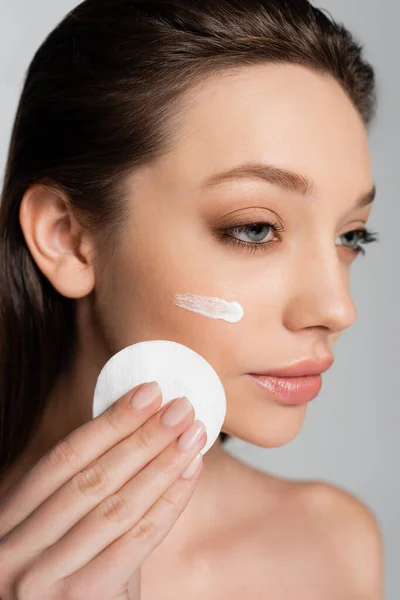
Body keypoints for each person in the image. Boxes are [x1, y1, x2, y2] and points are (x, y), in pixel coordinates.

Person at [0, 0, 384, 598]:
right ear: (68, 239)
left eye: (351, 235)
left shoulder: (337, 548)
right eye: (255, 228)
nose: (337, 310)